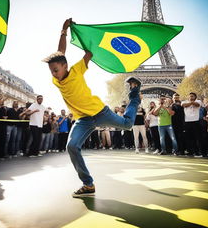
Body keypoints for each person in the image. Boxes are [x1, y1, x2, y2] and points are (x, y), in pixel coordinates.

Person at [42, 18, 141, 197]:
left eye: (56, 70)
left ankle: (134, 95)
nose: (53, 74)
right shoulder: (56, 79)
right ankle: (88, 184)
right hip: (83, 119)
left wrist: (90, 42)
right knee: (72, 146)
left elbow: (88, 54)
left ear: (65, 66)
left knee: (127, 125)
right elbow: (60, 51)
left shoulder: (77, 70)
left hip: (100, 112)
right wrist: (63, 31)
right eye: (51, 71)